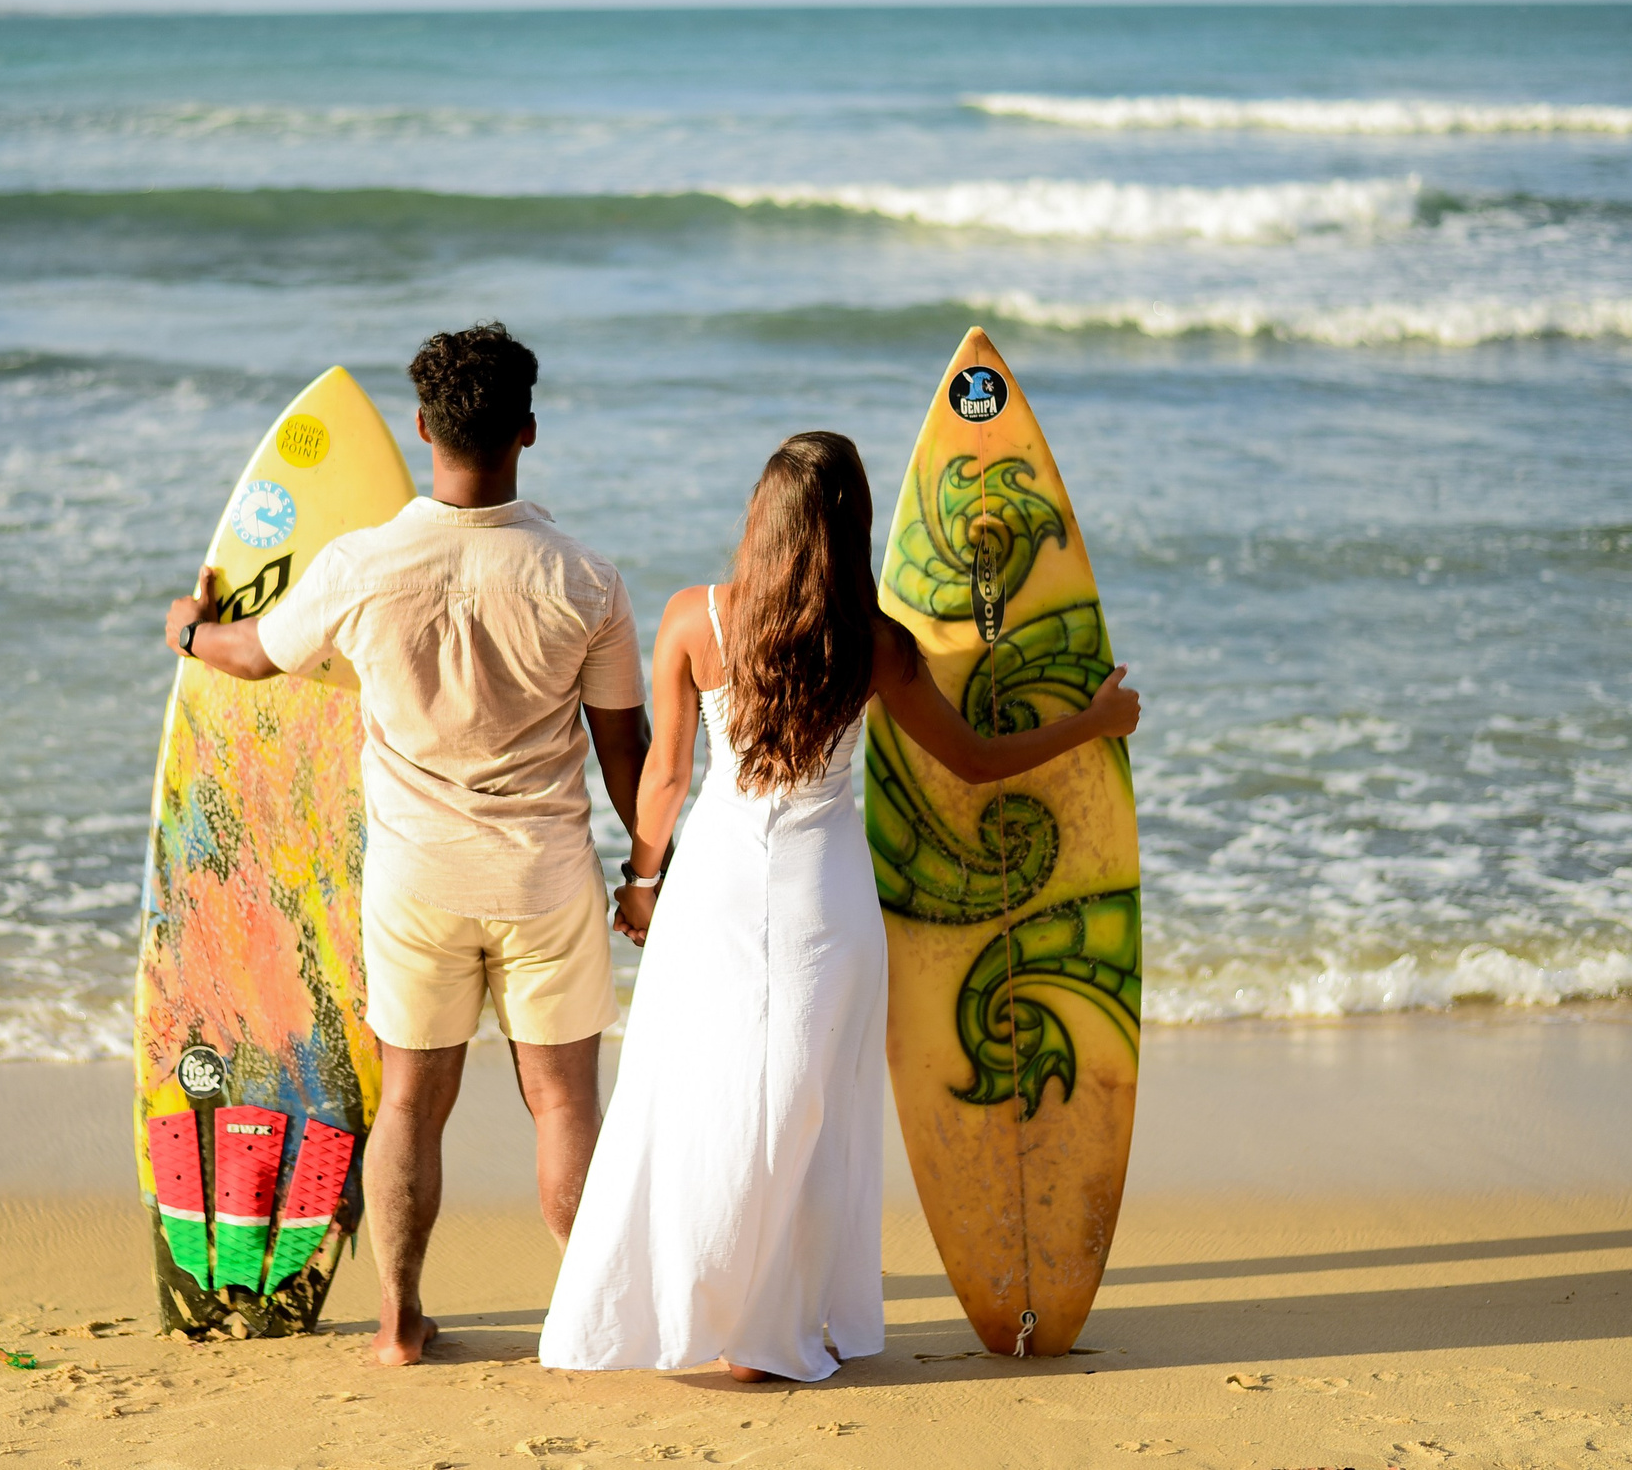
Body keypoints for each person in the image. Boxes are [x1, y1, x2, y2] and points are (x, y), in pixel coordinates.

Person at [538, 430, 1139, 1384]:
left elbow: (663, 781)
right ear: (854, 526)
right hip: (828, 899)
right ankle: (773, 1325)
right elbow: (976, 761)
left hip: (718, 889)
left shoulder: (696, 619)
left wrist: (642, 881)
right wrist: (1094, 723)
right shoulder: (877, 643)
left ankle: (693, 1310)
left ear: (759, 519)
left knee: (699, 1099)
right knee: (810, 1114)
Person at [163, 323, 650, 1368]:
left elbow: (253, 655)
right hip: (545, 876)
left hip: (416, 880)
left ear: (424, 427)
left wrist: (190, 629)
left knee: (413, 1104)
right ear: (526, 429)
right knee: (563, 1099)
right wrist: (649, 869)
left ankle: (397, 1318)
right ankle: (590, 1316)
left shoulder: (363, 566)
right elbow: (626, 752)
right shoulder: (587, 580)